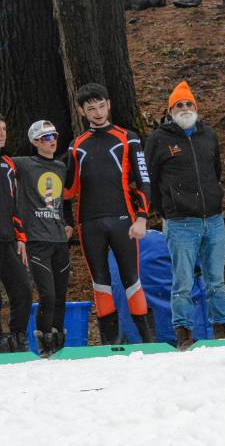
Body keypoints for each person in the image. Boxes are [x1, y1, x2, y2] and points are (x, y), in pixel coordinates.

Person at [64, 83, 154, 345]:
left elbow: (144, 181)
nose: (98, 112)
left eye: (101, 106)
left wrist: (141, 218)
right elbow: (68, 191)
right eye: (91, 108)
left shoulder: (129, 137)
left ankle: (149, 341)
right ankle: (109, 343)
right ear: (82, 111)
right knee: (100, 282)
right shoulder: (76, 146)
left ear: (109, 104)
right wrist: (67, 222)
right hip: (89, 224)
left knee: (132, 279)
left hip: (123, 220)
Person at [144, 82, 225, 351]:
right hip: (180, 223)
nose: (184, 109)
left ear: (196, 107)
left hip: (213, 220)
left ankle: (222, 331)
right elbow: (151, 179)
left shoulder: (209, 136)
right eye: (178, 105)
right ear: (170, 111)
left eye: (188, 104)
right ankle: (183, 334)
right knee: (182, 281)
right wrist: (168, 210)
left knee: (216, 280)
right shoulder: (159, 139)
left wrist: (214, 200)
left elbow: (216, 171)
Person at [13, 121, 73, 357]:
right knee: (47, 294)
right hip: (37, 240)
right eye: (46, 137)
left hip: (59, 239)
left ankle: (58, 340)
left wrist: (67, 223)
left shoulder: (60, 166)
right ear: (35, 142)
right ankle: (44, 341)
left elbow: (64, 199)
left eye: (54, 136)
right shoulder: (24, 164)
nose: (52, 140)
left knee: (60, 295)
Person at [0, 117, 31, 353]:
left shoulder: (8, 164)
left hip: (8, 240)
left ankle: (18, 337)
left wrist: (21, 237)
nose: (2, 134)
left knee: (22, 289)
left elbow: (14, 205)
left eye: (3, 129)